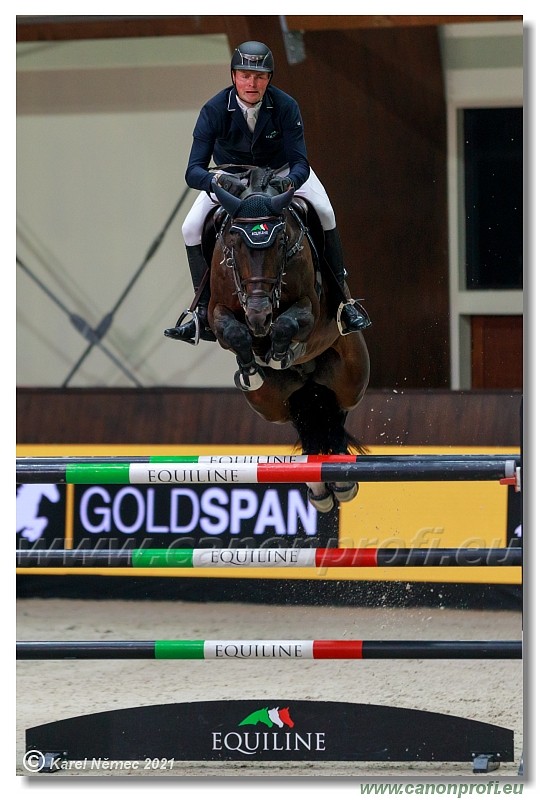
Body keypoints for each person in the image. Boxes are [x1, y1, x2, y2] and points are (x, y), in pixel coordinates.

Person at [164, 40, 371, 344]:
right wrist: (216, 183)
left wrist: (289, 183)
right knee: (190, 227)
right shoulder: (214, 109)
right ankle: (199, 316)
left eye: (260, 77)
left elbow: (300, 161)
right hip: (231, 176)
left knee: (325, 211)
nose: (252, 83)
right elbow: (194, 170)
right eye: (245, 75)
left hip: (280, 171)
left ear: (269, 79)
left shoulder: (285, 106)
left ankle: (342, 302)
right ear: (234, 76)